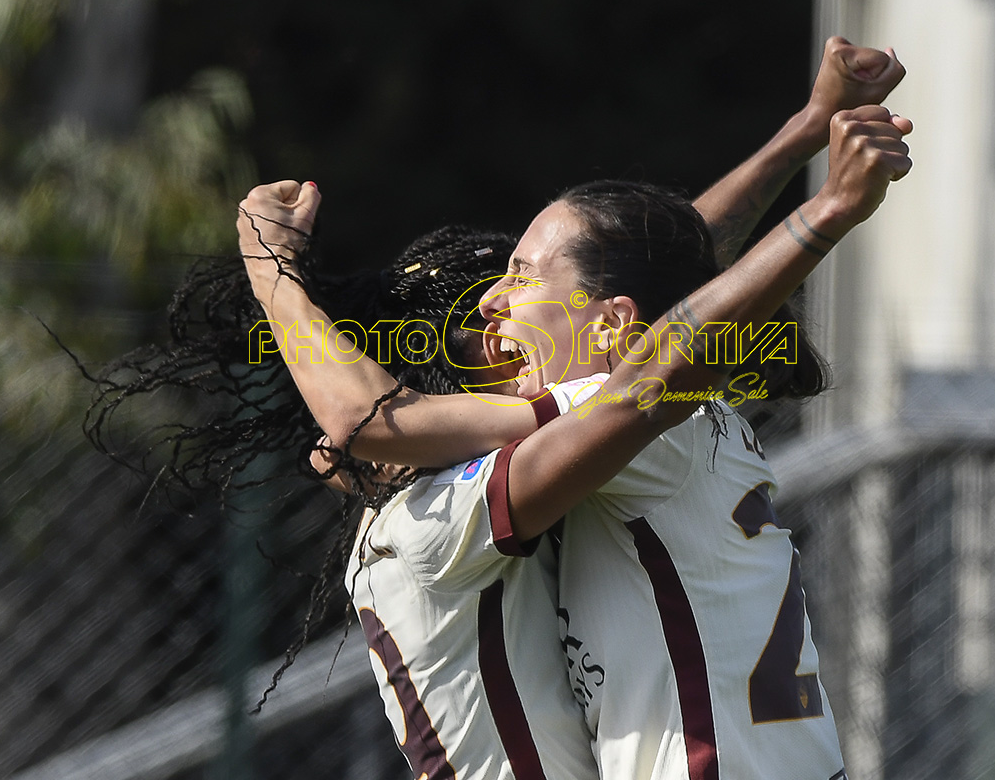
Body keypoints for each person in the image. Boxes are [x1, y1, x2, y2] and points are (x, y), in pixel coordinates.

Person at [235, 46, 910, 780]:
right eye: (494, 294)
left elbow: (655, 278)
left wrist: (810, 143)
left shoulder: (618, 416)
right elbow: (371, 418)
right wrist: (811, 167)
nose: (497, 302)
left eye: (517, 280)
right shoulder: (438, 507)